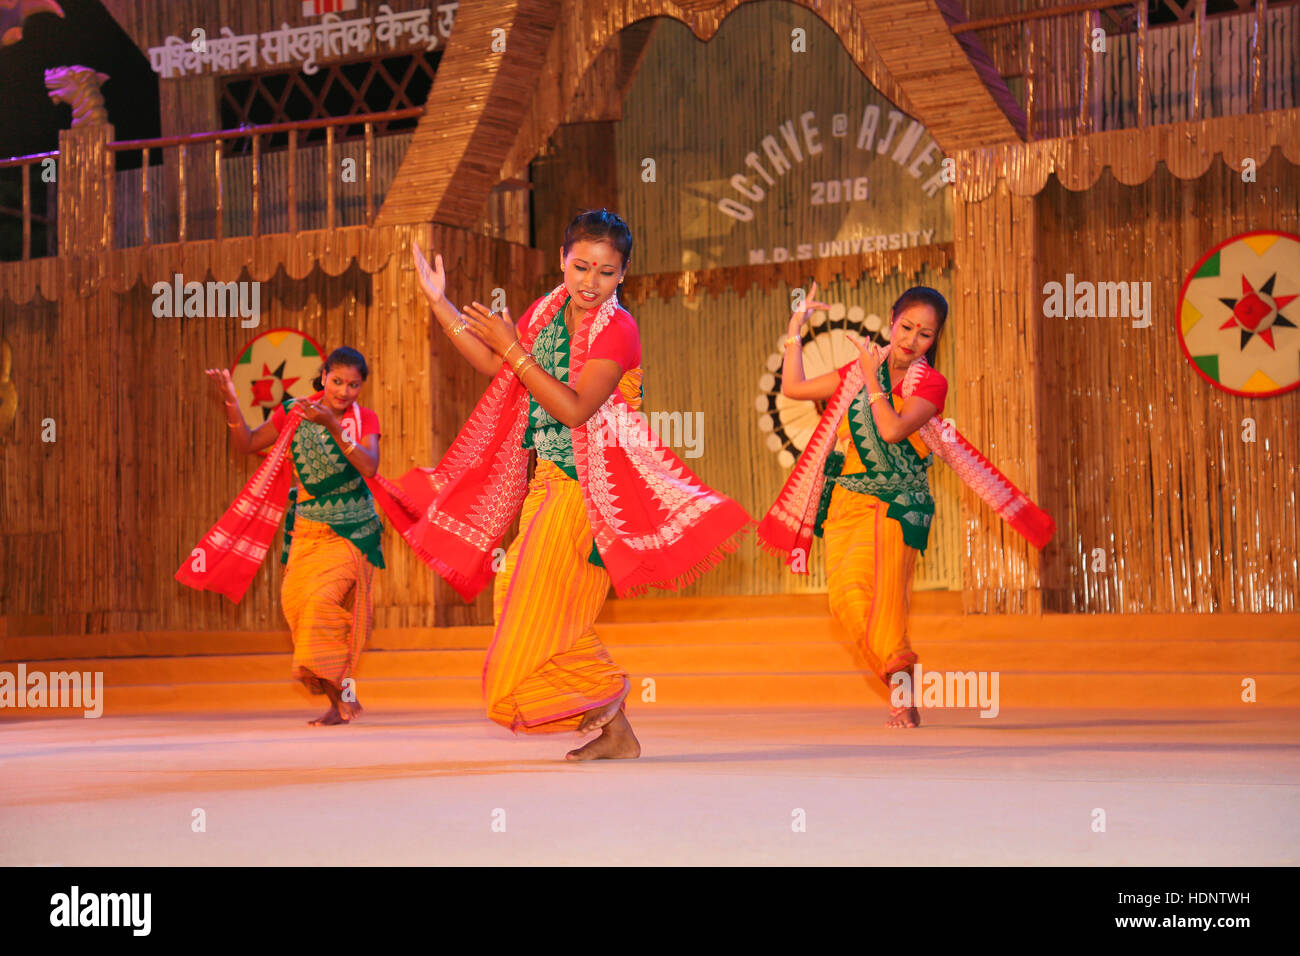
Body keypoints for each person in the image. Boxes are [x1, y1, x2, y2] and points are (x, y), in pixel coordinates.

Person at [398, 209, 752, 760]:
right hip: (548, 482)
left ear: (623, 275)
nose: (590, 282)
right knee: (532, 608)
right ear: (562, 261)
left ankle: (607, 694)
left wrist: (512, 349)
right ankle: (614, 726)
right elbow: (501, 371)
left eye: (605, 272)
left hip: (590, 493)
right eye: (580, 266)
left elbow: (576, 410)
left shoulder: (619, 329)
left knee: (525, 620)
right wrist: (439, 303)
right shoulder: (546, 309)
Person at [178, 347, 419, 726]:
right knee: (296, 610)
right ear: (323, 376)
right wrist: (231, 401)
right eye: (337, 381)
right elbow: (247, 444)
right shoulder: (295, 413)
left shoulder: (362, 419)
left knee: (320, 606)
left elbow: (369, 466)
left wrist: (334, 427)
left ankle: (343, 698)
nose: (343, 391)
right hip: (305, 533)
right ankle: (339, 699)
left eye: (353, 384)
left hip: (351, 534)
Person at [760, 284, 949, 728]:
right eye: (905, 327)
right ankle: (898, 676)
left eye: (925, 334)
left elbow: (891, 430)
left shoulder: (931, 384)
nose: (910, 340)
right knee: (844, 601)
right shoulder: (857, 371)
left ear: (935, 340)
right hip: (845, 502)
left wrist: (871, 378)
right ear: (892, 318)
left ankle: (901, 694)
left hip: (897, 504)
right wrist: (795, 329)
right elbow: (794, 387)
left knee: (883, 601)